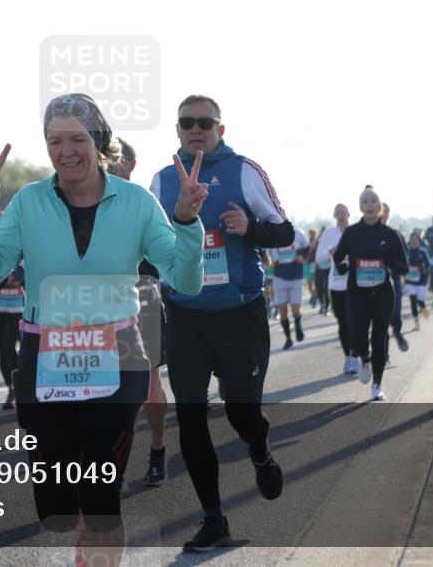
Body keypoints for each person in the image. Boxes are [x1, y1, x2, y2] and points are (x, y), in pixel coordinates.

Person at [0, 93, 206, 566]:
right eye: (55, 140)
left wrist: (186, 220)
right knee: (55, 506)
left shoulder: (137, 202)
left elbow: (184, 279)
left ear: (99, 143)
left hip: (117, 360)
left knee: (100, 497)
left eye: (77, 138)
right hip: (44, 360)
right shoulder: (29, 202)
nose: (66, 150)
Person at [150, 94, 291, 552]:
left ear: (220, 130)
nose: (195, 129)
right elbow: (151, 249)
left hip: (240, 316)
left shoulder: (244, 170)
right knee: (190, 417)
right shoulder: (161, 181)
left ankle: (259, 445)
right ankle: (214, 518)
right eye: (186, 122)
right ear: (177, 130)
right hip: (187, 316)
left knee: (241, 412)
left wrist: (250, 227)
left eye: (204, 123)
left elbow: (285, 233)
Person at [107, 138, 169, 487]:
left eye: (113, 159)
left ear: (131, 164)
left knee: (147, 383)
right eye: (103, 159)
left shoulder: (146, 202)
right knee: (102, 385)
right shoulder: (86, 199)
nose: (107, 166)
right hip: (99, 302)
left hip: (143, 296)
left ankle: (158, 450)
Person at [333, 186, 408, 402]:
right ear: (360, 207)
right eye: (365, 201)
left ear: (380, 207)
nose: (369, 204)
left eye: (373, 201)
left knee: (379, 337)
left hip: (383, 292)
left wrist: (386, 263)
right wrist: (342, 265)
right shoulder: (351, 233)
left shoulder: (390, 234)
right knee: (358, 336)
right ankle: (363, 359)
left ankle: (377, 384)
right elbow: (338, 257)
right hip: (357, 293)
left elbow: (404, 267)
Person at [316, 204, 356, 374]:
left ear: (349, 214)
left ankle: (356, 357)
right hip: (336, 283)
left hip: (355, 282)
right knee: (342, 322)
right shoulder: (329, 233)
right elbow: (319, 258)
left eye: (343, 212)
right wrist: (330, 252)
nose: (341, 215)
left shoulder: (356, 231)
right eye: (338, 212)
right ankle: (348, 357)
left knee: (353, 321)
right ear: (334, 215)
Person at [270, 228, 309, 350]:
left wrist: (302, 256)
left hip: (296, 275)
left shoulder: (298, 233)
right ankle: (288, 339)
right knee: (283, 310)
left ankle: (297, 322)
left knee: (296, 308)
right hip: (279, 276)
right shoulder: (271, 234)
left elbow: (307, 248)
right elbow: (265, 252)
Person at [0, 266, 24, 410]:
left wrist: (17, 276)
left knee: (8, 347)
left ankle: (20, 386)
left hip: (18, 310)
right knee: (3, 352)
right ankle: (11, 388)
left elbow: (24, 272)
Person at [379, 203, 409, 354]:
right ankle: (384, 352)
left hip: (393, 279)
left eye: (385, 211)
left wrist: (391, 262)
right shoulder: (365, 234)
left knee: (395, 315)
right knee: (380, 318)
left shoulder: (395, 233)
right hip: (373, 281)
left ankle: (397, 332)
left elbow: (404, 259)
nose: (383, 213)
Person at [404, 232, 431, 331]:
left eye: (416, 239)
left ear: (419, 241)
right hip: (409, 281)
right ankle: (416, 322)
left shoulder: (422, 252)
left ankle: (424, 309)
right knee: (412, 300)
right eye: (412, 239)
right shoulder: (406, 252)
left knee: (420, 302)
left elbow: (428, 265)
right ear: (410, 241)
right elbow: (402, 264)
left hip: (421, 281)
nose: (414, 241)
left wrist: (423, 269)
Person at [313, 226, 330, 316]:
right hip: (319, 268)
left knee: (327, 288)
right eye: (322, 233)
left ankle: (326, 307)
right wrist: (318, 236)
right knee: (319, 288)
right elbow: (311, 246)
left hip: (329, 268)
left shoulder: (330, 242)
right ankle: (321, 304)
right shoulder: (318, 242)